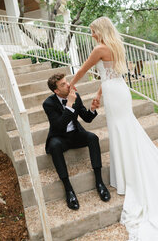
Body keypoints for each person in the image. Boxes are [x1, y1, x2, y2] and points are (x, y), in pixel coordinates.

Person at [69, 16, 158, 241]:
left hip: (115, 95)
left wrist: (70, 85)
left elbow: (83, 69)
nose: (92, 35)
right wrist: (97, 94)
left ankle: (128, 177)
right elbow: (111, 75)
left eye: (93, 31)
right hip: (119, 91)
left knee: (121, 132)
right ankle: (126, 173)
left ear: (100, 31)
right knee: (124, 132)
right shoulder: (115, 45)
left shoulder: (99, 48)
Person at [42, 73, 110, 211]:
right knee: (54, 146)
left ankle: (99, 182)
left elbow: (86, 118)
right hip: (59, 137)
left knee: (93, 138)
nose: (68, 85)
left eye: (66, 82)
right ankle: (69, 190)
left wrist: (92, 109)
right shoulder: (48, 103)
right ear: (56, 91)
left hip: (75, 134)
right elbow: (60, 125)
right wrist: (69, 104)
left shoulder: (75, 96)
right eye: (63, 84)